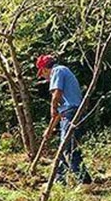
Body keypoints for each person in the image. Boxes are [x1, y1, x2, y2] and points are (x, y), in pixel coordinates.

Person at [36, 54, 86, 182]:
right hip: (69, 113)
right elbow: (58, 113)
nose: (44, 78)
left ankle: (85, 182)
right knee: (62, 150)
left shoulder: (58, 71)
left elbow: (56, 95)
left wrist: (52, 107)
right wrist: (49, 129)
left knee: (68, 149)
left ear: (46, 69)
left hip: (71, 113)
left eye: (42, 74)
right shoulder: (63, 73)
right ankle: (59, 181)